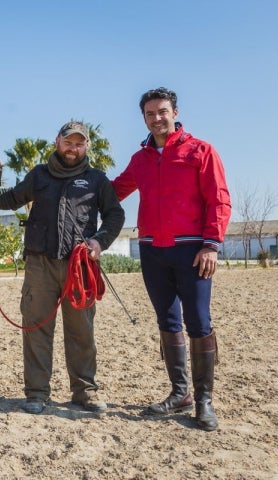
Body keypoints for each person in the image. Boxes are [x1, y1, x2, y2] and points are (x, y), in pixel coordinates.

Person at [0, 121, 125, 414]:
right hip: (40, 265)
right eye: (68, 142)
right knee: (36, 329)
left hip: (79, 267)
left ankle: (85, 391)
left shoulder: (97, 180)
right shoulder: (39, 174)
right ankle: (37, 393)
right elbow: (12, 198)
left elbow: (115, 215)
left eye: (79, 144)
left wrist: (100, 242)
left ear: (86, 146)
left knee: (82, 332)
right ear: (57, 142)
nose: (73, 149)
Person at [111, 87, 231, 431]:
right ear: (144, 118)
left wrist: (211, 245)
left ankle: (204, 400)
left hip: (193, 250)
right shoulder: (140, 159)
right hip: (151, 249)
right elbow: (115, 191)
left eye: (162, 111)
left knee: (199, 322)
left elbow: (219, 200)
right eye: (150, 114)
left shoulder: (201, 151)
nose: (157, 118)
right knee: (167, 320)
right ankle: (180, 394)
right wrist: (74, 188)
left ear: (175, 112)